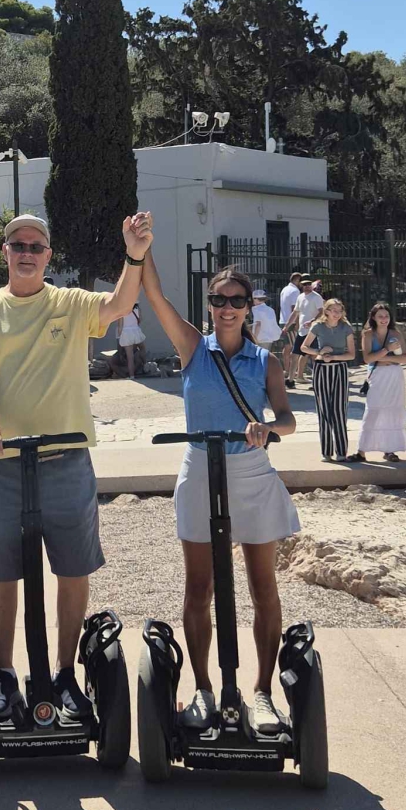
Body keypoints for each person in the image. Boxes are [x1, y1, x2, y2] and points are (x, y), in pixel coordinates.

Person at [0, 210, 153, 722]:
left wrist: (134, 255)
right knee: (2, 570)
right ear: (5, 252)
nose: (26, 253)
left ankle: (64, 674)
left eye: (35, 246)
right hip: (5, 462)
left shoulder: (69, 303)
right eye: (17, 245)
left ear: (48, 256)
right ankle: (5, 674)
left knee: (73, 568)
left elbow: (119, 303)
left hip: (66, 460)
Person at [139, 255, 299, 733]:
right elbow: (155, 297)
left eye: (236, 300)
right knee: (199, 587)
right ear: (209, 305)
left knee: (262, 586)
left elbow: (288, 420)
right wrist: (141, 249)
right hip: (200, 470)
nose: (227, 308)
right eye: (218, 300)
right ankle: (204, 689)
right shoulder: (192, 347)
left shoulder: (266, 361)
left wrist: (267, 429)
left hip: (250, 471)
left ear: (249, 307)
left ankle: (263, 692)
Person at [348, 302, 406, 463]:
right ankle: (361, 451)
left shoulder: (395, 333)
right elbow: (368, 358)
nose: (384, 319)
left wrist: (384, 357)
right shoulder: (368, 334)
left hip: (394, 375)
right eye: (380, 316)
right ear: (374, 318)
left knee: (393, 411)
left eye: (386, 316)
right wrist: (387, 350)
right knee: (373, 410)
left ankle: (390, 449)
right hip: (377, 376)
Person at [297, 297, 356, 461]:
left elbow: (351, 354)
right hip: (321, 369)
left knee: (339, 410)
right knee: (323, 409)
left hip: (339, 369)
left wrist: (334, 356)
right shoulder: (318, 326)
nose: (337, 314)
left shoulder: (346, 327)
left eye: (339, 310)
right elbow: (304, 347)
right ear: (327, 311)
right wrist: (320, 352)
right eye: (333, 310)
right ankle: (326, 451)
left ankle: (341, 451)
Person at [282, 279, 324, 389]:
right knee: (294, 355)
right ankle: (290, 381)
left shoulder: (316, 297)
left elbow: (321, 312)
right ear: (301, 286)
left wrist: (312, 321)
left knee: (314, 356)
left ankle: (317, 382)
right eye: (304, 284)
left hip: (313, 331)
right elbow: (295, 312)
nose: (307, 286)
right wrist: (287, 326)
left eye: (309, 284)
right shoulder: (300, 297)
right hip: (302, 332)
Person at [277, 272, 303, 384]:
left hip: (283, 320)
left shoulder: (285, 289)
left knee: (287, 347)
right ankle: (292, 371)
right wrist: (297, 323)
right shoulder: (295, 291)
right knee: (294, 348)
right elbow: (294, 308)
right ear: (297, 280)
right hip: (291, 322)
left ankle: (287, 370)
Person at [117, 304, 146, 378]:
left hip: (126, 332)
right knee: (142, 348)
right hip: (136, 330)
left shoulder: (121, 311)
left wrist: (120, 337)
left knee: (130, 357)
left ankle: (132, 376)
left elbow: (120, 326)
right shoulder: (137, 308)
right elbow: (140, 319)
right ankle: (145, 365)